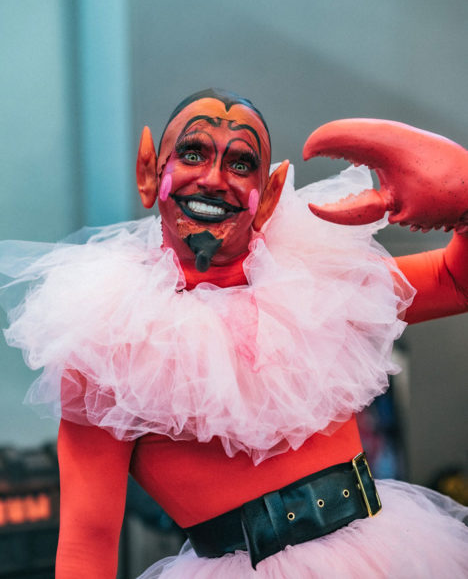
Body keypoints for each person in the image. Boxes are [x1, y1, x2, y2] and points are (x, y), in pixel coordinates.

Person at [2, 89, 468, 578]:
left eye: (241, 163)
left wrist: (461, 195)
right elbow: (87, 542)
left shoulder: (320, 283)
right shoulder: (106, 337)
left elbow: (456, 281)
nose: (213, 179)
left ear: (268, 197)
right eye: (192, 153)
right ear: (148, 173)